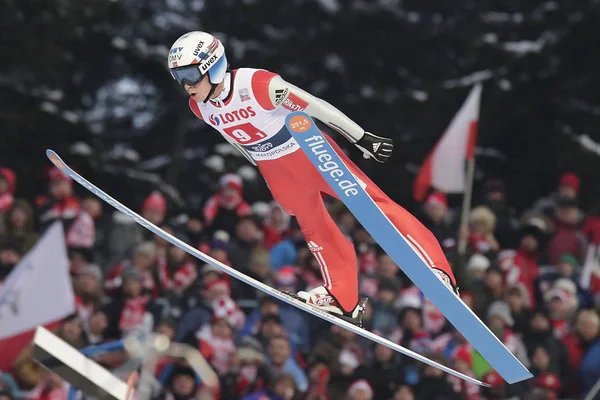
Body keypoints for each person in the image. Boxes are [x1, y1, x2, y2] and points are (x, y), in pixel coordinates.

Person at [166, 31, 458, 322]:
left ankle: (436, 268)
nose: (186, 85)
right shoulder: (198, 107)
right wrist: (259, 166)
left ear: (213, 65)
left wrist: (360, 137)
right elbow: (233, 138)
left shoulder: (257, 84)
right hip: (274, 167)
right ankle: (342, 296)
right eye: (178, 78)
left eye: (190, 75)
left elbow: (313, 105)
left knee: (370, 203)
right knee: (312, 224)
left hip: (307, 152)